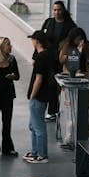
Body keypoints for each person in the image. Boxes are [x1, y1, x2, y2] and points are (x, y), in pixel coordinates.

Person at [57, 27, 89, 149]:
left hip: (84, 77)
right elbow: (61, 59)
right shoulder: (67, 46)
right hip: (71, 77)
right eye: (76, 39)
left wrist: (87, 51)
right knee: (71, 106)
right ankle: (71, 133)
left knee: (84, 105)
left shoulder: (88, 45)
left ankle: (83, 130)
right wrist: (75, 53)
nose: (78, 42)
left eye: (80, 39)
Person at [40, 1, 76, 119]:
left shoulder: (70, 26)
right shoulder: (49, 23)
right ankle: (51, 109)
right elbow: (41, 39)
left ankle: (55, 110)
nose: (56, 12)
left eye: (59, 10)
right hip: (49, 59)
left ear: (63, 10)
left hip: (61, 60)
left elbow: (73, 43)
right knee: (48, 83)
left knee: (57, 85)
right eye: (54, 10)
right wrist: (36, 57)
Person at [25, 30, 57, 164]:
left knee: (38, 127)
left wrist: (32, 95)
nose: (32, 42)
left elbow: (38, 79)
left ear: (37, 41)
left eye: (33, 39)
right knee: (33, 125)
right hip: (45, 95)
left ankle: (42, 155)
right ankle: (35, 152)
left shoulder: (40, 57)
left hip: (38, 96)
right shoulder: (48, 55)